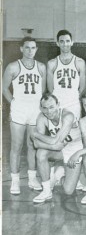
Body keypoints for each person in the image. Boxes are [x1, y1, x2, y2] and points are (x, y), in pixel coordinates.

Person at [2, 37, 46, 194]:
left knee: (32, 146)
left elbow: (43, 91)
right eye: (27, 47)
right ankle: (15, 181)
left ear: (36, 49)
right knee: (16, 146)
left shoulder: (41, 67)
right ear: (21, 48)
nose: (30, 51)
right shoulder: (13, 66)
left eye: (33, 48)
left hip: (35, 110)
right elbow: (4, 87)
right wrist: (13, 102)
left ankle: (32, 178)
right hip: (19, 110)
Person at [31, 93, 83, 203]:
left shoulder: (68, 116)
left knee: (68, 190)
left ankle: (61, 172)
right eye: (44, 108)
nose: (48, 111)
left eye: (51, 107)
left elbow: (54, 140)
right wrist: (51, 145)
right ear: (41, 107)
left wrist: (36, 135)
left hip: (75, 150)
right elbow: (36, 144)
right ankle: (46, 191)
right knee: (41, 153)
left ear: (58, 105)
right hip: (59, 150)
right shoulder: (41, 117)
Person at [47, 29, 86, 121]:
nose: (65, 44)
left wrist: (73, 97)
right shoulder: (52, 63)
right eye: (62, 41)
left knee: (74, 132)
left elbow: (82, 86)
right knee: (58, 132)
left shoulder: (80, 62)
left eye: (68, 41)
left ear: (72, 42)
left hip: (74, 103)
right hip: (58, 103)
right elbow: (50, 88)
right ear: (57, 43)